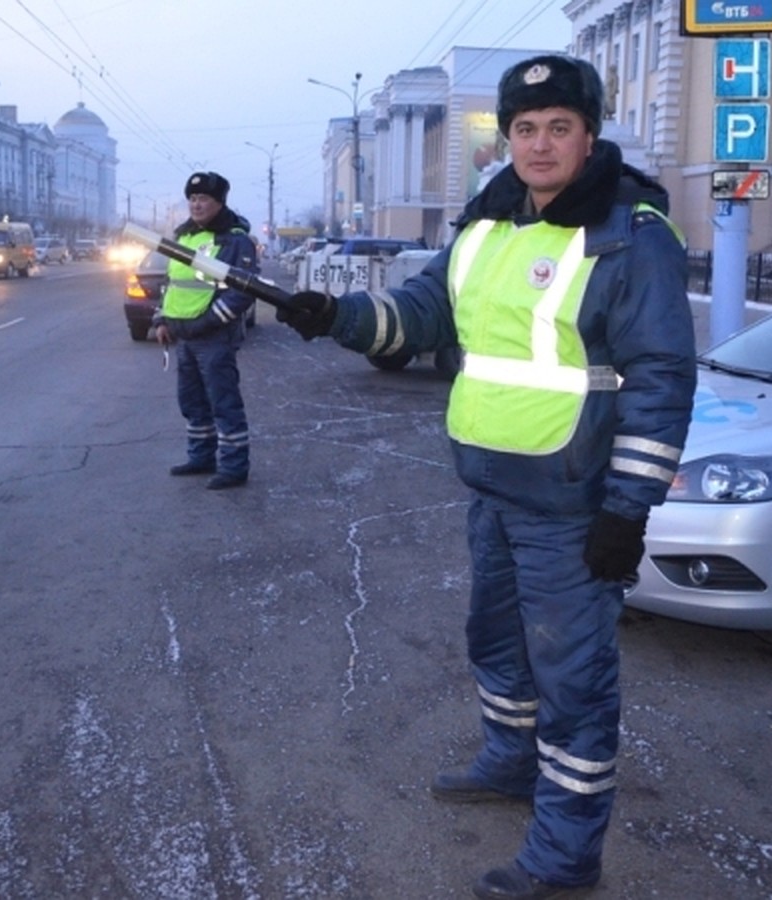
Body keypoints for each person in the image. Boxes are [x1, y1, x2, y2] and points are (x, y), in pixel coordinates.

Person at [275, 55, 697, 898]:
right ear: (507, 139)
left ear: (589, 133)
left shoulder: (629, 233)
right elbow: (424, 311)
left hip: (575, 506)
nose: (540, 146)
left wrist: (628, 510)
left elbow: (661, 377)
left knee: (573, 682)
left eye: (558, 128)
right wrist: (337, 316)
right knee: (497, 647)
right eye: (525, 129)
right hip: (493, 491)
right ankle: (510, 763)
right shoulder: (486, 223)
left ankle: (566, 855)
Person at [153, 171, 257, 490]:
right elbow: (171, 283)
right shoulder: (183, 237)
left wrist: (208, 321)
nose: (197, 205)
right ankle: (201, 457)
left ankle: (234, 467)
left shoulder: (234, 239)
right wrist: (161, 319)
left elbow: (242, 291)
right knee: (193, 402)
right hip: (185, 336)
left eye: (204, 199)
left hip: (214, 337)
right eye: (193, 199)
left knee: (223, 403)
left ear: (219, 202)